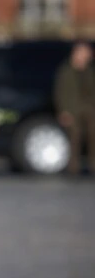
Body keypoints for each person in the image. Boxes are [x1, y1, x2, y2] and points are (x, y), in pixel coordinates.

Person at [54, 40, 95, 176]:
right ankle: (73, 167)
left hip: (89, 107)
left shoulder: (89, 70)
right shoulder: (66, 70)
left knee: (92, 135)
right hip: (72, 108)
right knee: (75, 137)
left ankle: (92, 164)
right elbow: (60, 92)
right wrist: (63, 111)